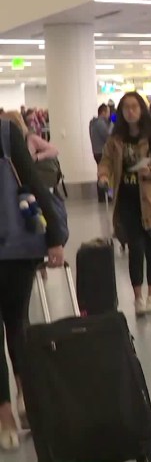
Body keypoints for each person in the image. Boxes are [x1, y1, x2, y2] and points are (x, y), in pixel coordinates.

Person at [0, 118, 66, 450]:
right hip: (13, 245)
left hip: (14, 247)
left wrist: (53, 236)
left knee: (17, 323)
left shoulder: (6, 132)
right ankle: (5, 412)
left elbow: (33, 183)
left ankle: (26, 393)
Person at [98, 92, 151, 316]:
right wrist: (103, 175)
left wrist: (149, 171)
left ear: (141, 110)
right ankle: (138, 298)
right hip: (128, 202)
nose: (130, 111)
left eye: (134, 107)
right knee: (135, 250)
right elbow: (106, 160)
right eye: (126, 108)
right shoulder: (115, 140)